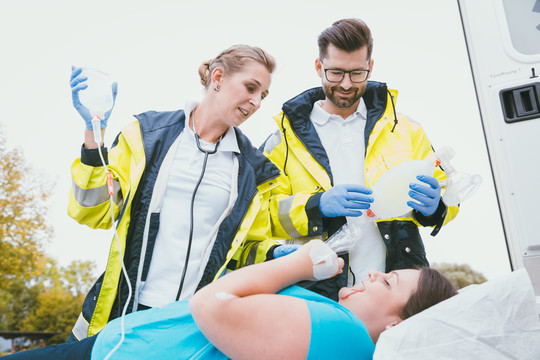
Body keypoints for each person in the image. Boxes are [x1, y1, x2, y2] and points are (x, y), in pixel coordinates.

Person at [66, 44, 284, 342]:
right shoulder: (146, 135)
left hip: (190, 324)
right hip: (121, 315)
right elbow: (94, 210)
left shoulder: (252, 170)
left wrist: (276, 253)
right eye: (251, 87)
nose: (257, 102)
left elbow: (247, 247)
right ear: (218, 77)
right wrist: (94, 134)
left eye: (263, 95)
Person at [261, 18, 460, 300]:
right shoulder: (283, 140)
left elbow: (449, 198)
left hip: (399, 289)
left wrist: (435, 206)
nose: (345, 84)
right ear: (319, 67)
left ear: (371, 67)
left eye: (356, 73)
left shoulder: (406, 129)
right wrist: (316, 206)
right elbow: (263, 215)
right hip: (318, 291)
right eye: (335, 72)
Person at [3, 240, 457, 359]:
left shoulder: (346, 337)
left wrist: (296, 265)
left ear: (397, 325)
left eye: (389, 282)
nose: (375, 272)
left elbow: (212, 305)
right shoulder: (335, 327)